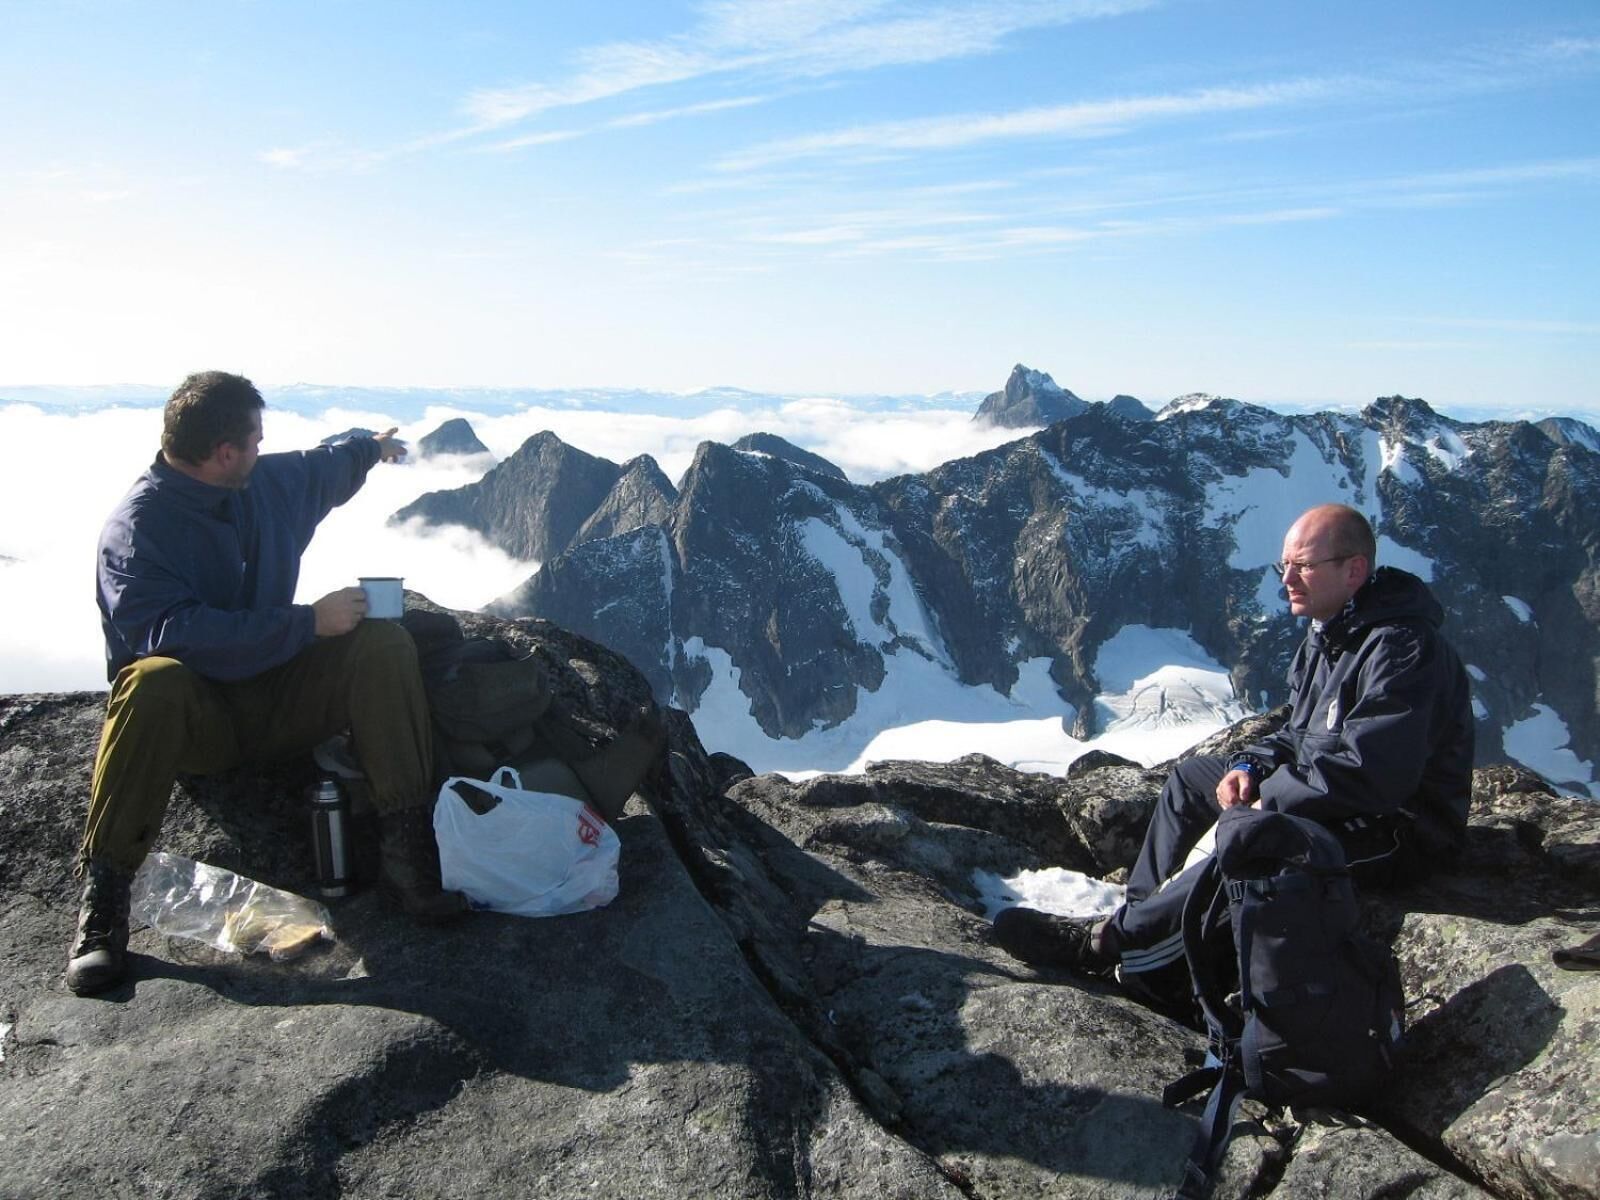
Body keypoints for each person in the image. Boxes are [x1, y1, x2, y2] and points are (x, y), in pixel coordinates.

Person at [67, 371, 466, 997]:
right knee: (151, 683)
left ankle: (408, 855)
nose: (262, 449)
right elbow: (170, 635)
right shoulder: (137, 530)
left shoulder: (260, 484)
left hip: (276, 698)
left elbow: (320, 468)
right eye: (254, 440)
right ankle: (105, 900)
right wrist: (306, 623)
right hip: (201, 723)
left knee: (383, 638)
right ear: (224, 453)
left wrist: (370, 446)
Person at [994, 504, 1474, 1005]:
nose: (1287, 579)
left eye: (1303, 566)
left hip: (1398, 828)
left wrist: (1274, 800)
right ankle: (1143, 924)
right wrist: (1250, 767)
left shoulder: (1400, 649)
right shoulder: (1331, 635)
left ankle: (1108, 945)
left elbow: (1376, 774)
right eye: (1283, 566)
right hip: (1334, 796)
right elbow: (1298, 732)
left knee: (1253, 837)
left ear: (1354, 570)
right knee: (1192, 780)